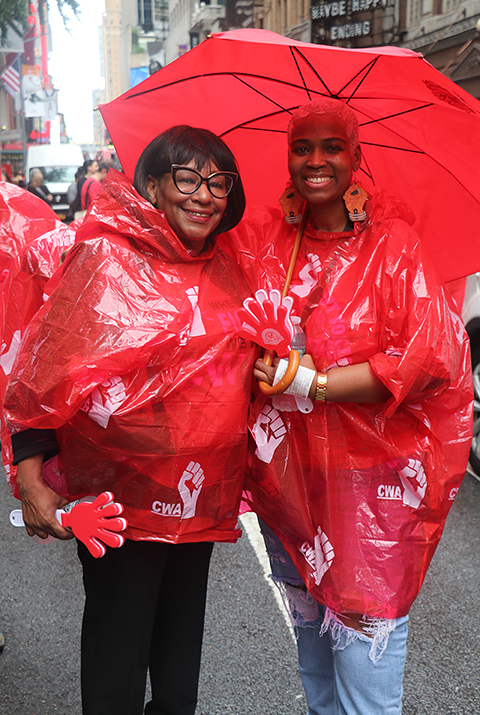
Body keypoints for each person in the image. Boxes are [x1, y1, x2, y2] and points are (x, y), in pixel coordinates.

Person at [4, 125, 257, 715]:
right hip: (119, 505)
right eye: (187, 178)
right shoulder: (105, 258)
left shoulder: (230, 267)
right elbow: (44, 373)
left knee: (177, 685)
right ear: (152, 186)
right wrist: (32, 477)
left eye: (218, 182)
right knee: (116, 677)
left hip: (198, 503)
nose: (204, 195)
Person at [232, 99, 472, 715]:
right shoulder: (266, 243)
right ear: (288, 158)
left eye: (331, 147)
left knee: (367, 666)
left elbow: (427, 359)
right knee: (314, 660)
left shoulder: (392, 245)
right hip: (289, 481)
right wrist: (263, 362)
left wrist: (312, 382)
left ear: (356, 157)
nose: (316, 161)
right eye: (302, 147)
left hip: (369, 487)